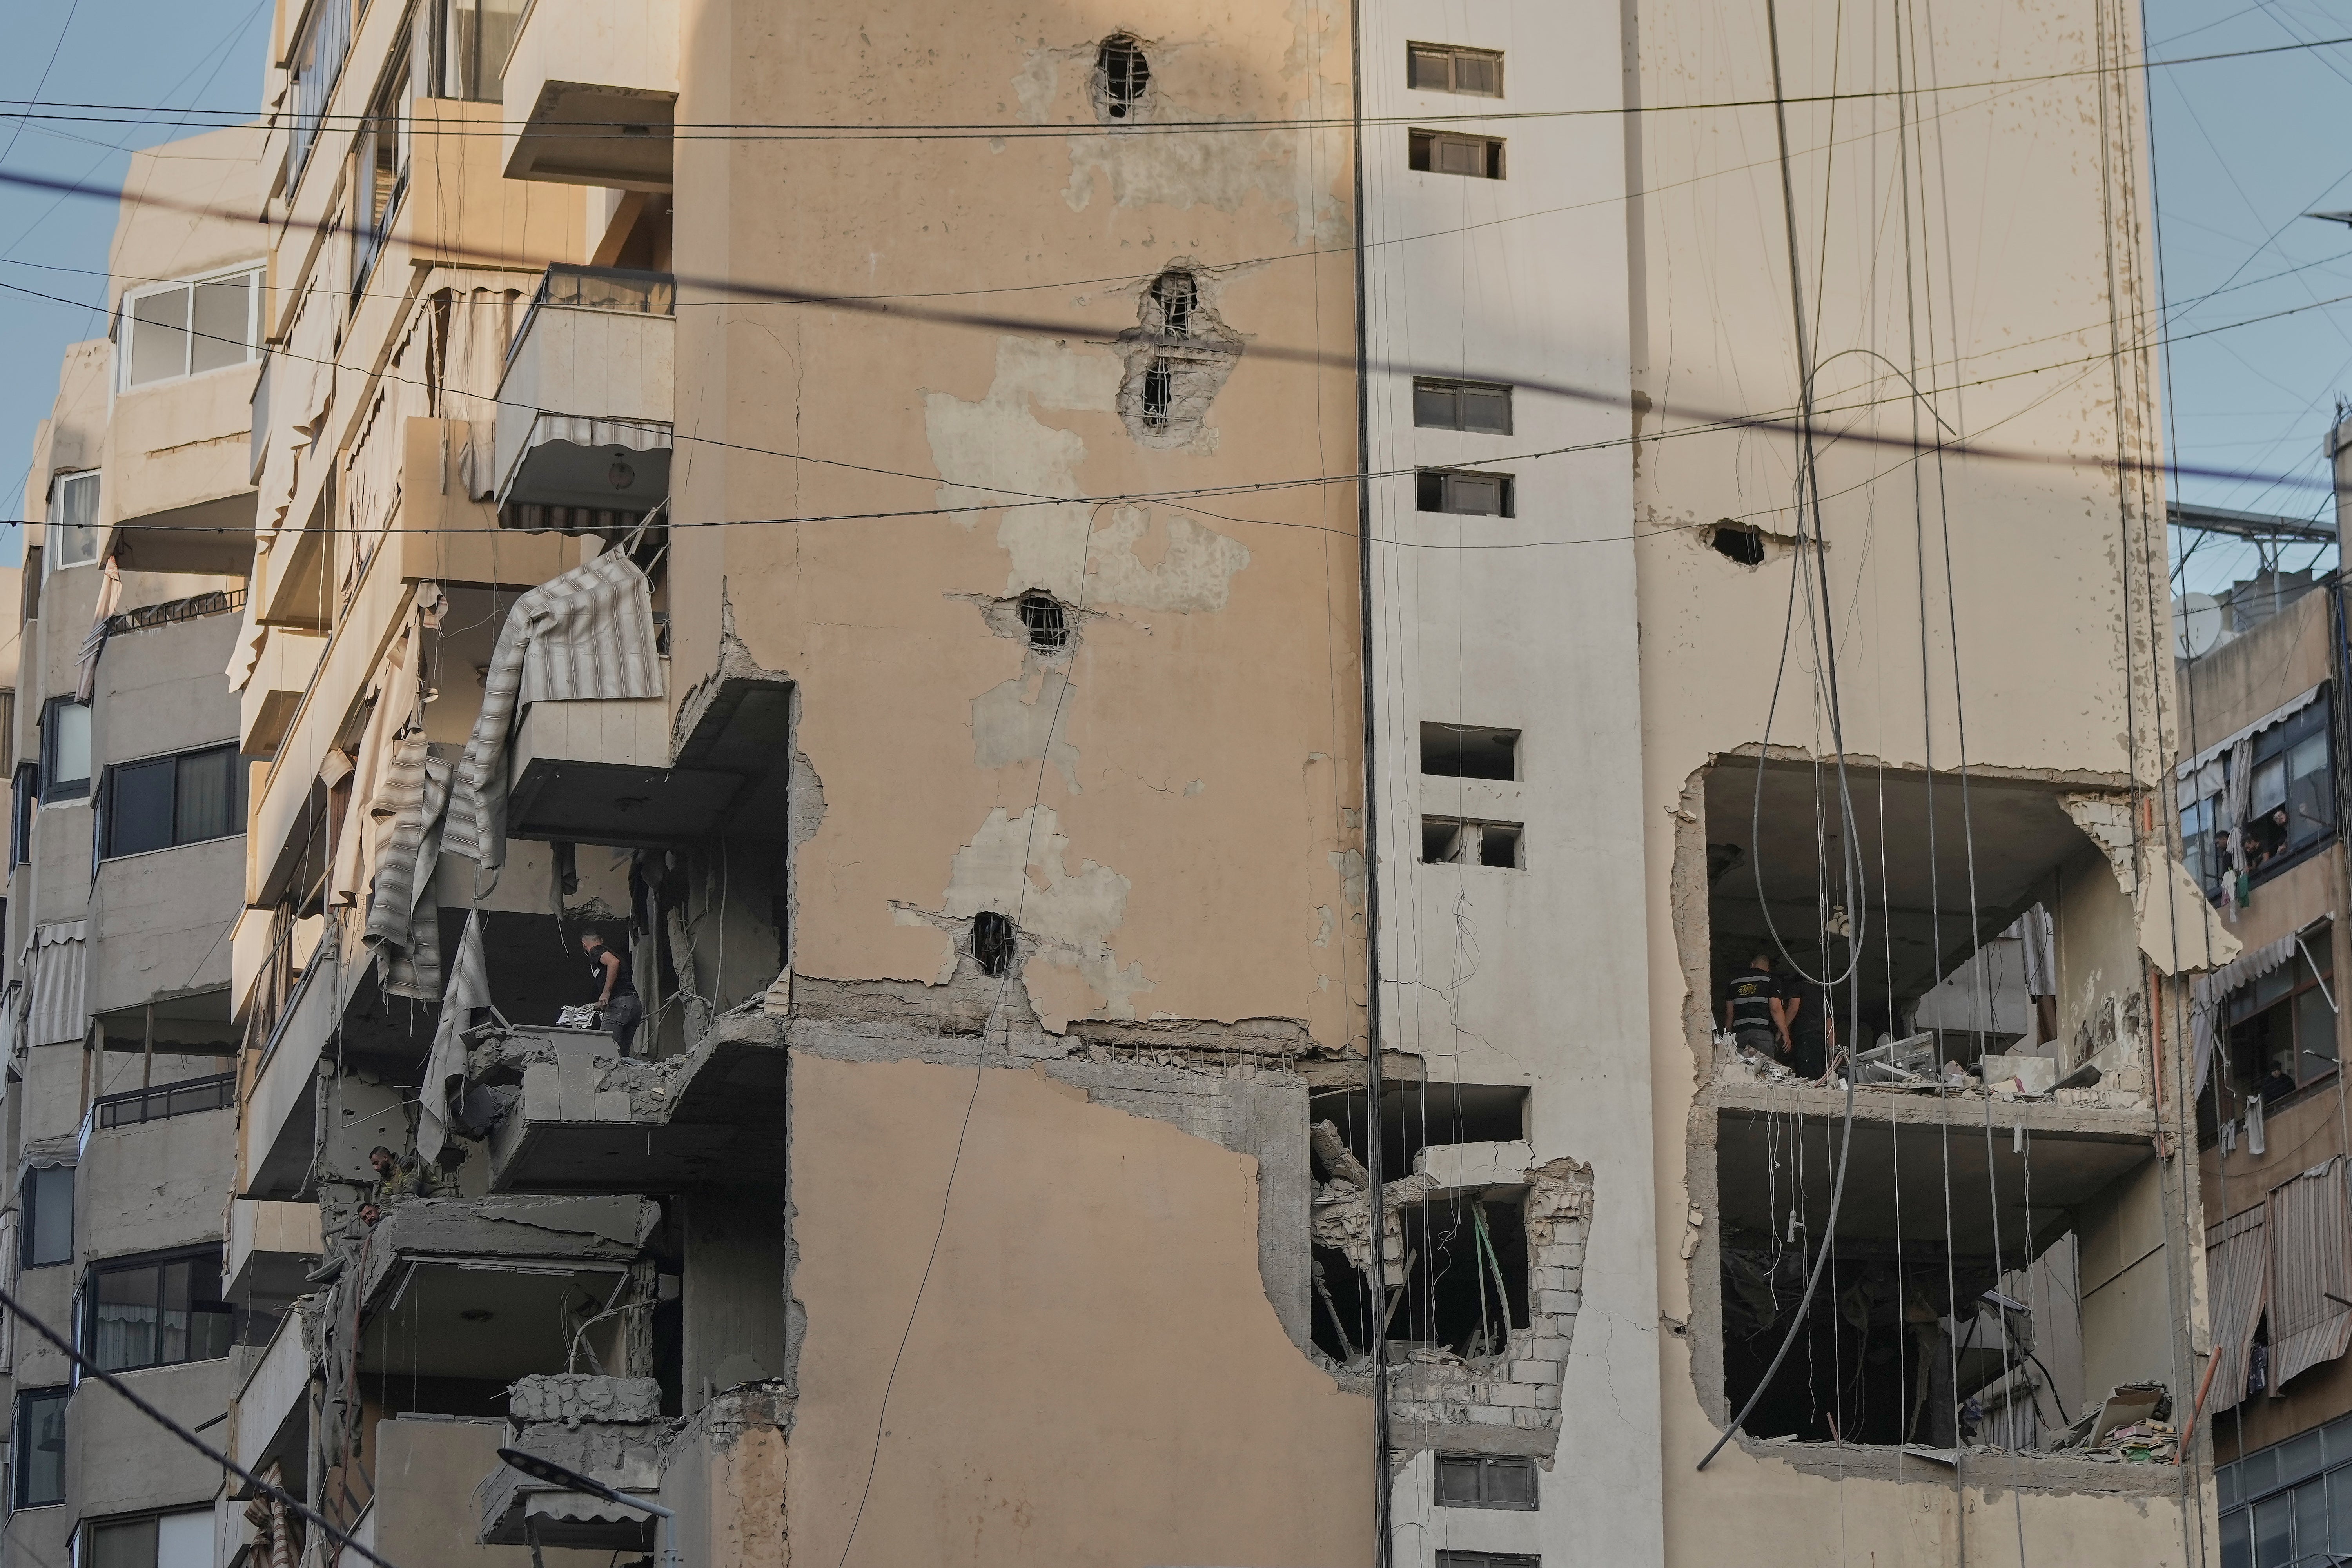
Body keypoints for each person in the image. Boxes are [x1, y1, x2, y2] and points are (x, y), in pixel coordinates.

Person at [582, 930, 643, 1054]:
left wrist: (606, 993)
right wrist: (596, 1005)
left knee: (604, 1049)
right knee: (621, 1054)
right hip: (634, 1005)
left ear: (584, 945)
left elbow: (613, 963)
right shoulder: (610, 952)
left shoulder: (596, 950)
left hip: (621, 1005)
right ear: (601, 940)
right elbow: (621, 988)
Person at [1723, 953, 1789, 1062]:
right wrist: (1785, 1034)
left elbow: (1729, 1014)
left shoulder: (1734, 983)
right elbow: (1775, 1008)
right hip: (1762, 1036)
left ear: (1752, 965)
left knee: (1744, 1072)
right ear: (1767, 969)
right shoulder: (1771, 980)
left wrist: (1727, 1037)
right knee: (1761, 1073)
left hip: (1739, 1036)